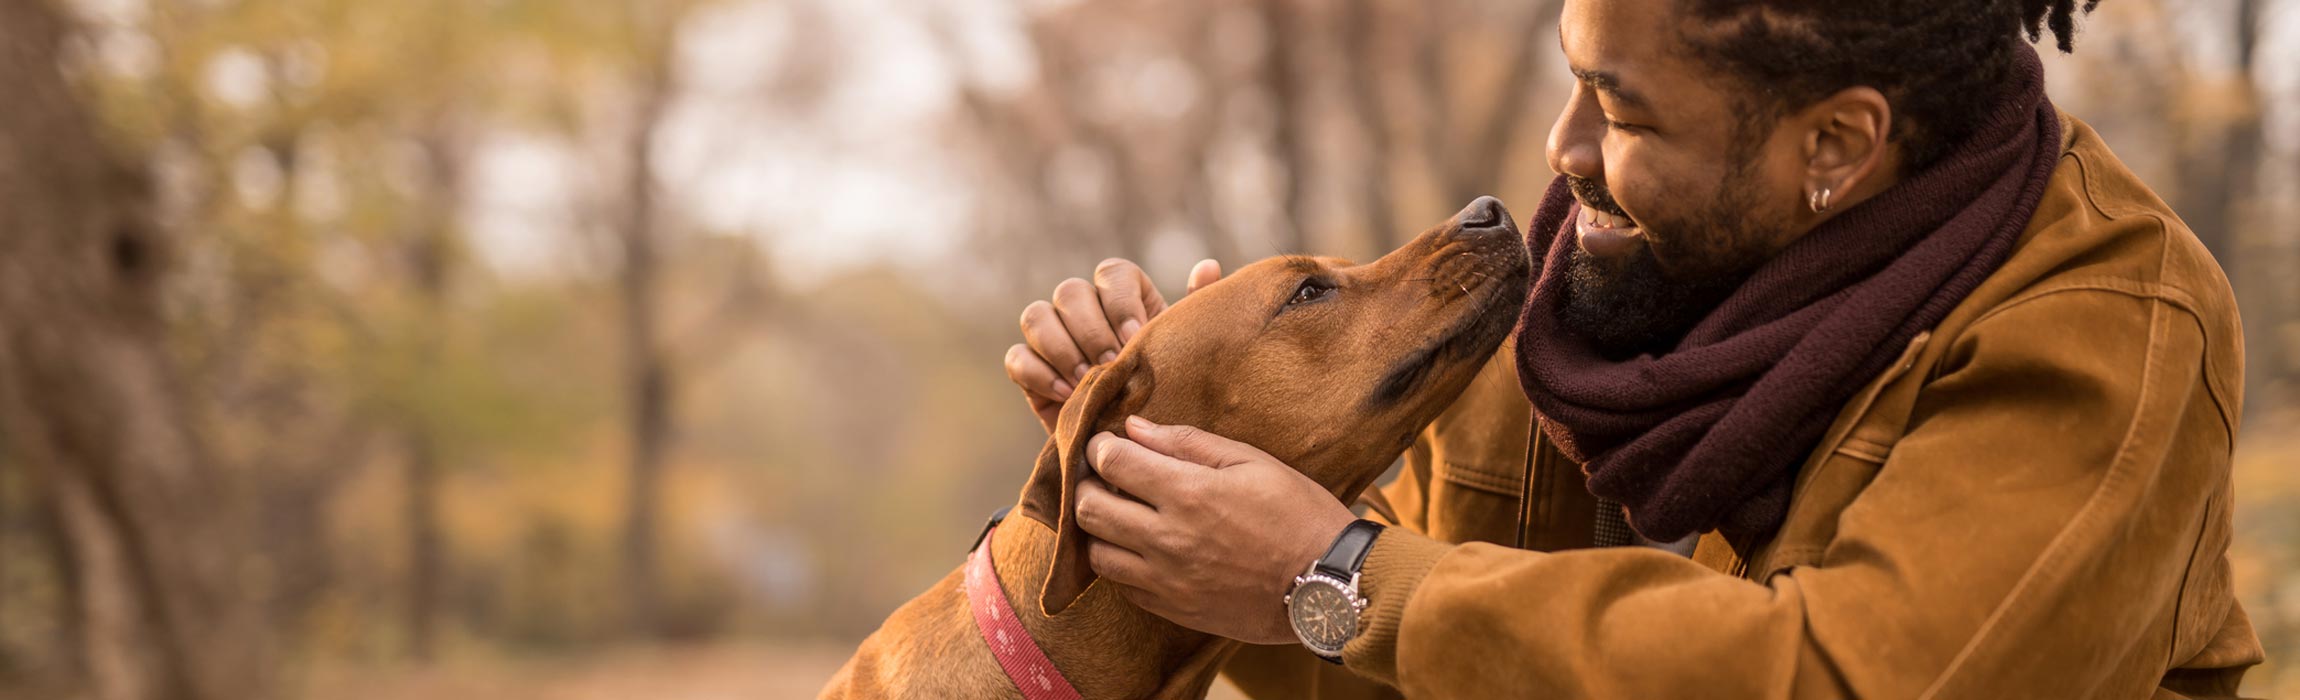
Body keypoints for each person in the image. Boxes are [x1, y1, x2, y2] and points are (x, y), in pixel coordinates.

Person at [1002, 0, 2262, 696]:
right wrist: (1197, 472)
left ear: (1832, 145)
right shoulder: (1587, 288)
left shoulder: (2105, 325)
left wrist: (1334, 569)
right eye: (1573, 73)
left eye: (1619, 105)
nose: (1560, 148)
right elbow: (1407, 672)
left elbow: (1848, 677)